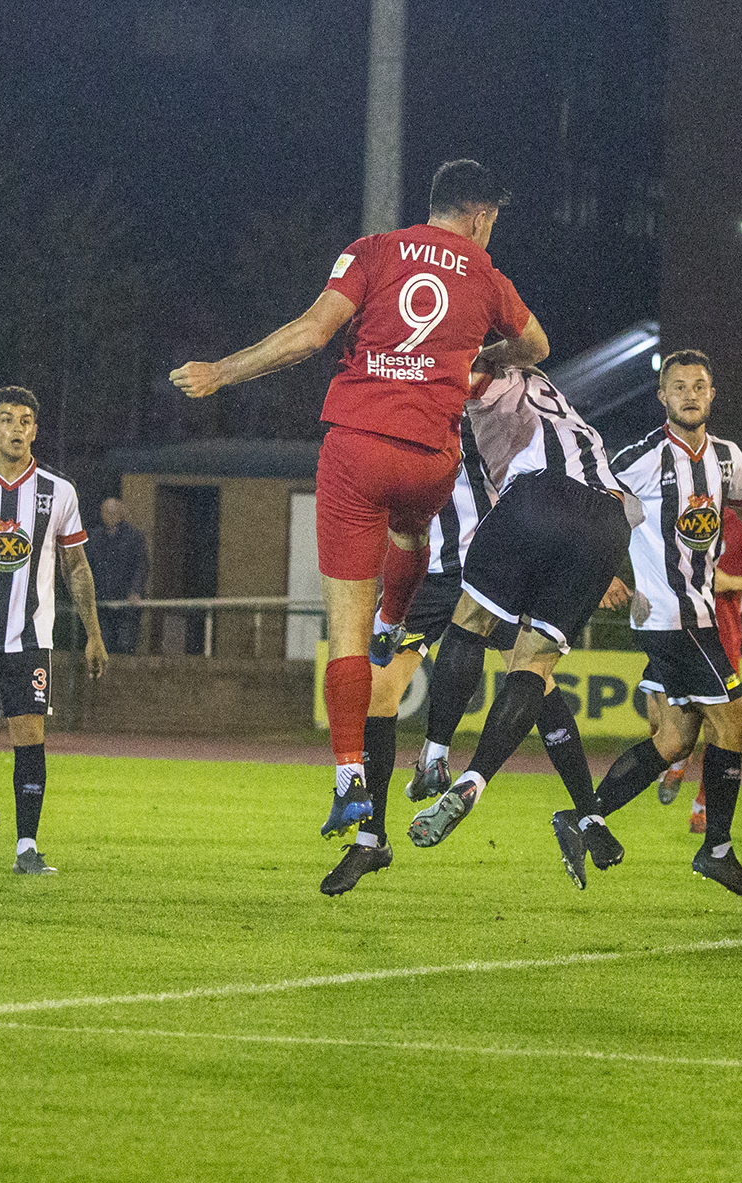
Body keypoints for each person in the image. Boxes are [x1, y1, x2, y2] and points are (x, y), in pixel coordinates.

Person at [169, 159, 547, 840]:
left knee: (341, 633)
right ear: (482, 215)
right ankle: (394, 622)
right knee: (411, 534)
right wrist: (475, 354)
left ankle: (349, 782)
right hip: (430, 456)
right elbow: (537, 344)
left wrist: (221, 371)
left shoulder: (371, 252)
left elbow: (312, 333)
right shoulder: (486, 276)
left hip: (357, 447)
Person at [321, 413, 631, 895]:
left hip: (493, 567)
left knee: (538, 683)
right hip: (429, 577)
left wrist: (584, 562)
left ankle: (587, 816)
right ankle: (371, 839)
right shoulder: (400, 426)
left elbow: (548, 483)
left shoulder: (491, 417)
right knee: (380, 695)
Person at [403, 364, 644, 891]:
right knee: (535, 669)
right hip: (607, 525)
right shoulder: (551, 392)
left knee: (468, 626)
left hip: (532, 502)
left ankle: (436, 756)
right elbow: (634, 510)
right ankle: (479, 780)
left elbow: (466, 371)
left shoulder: (469, 373)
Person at [578, 350, 742, 898]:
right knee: (735, 722)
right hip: (669, 615)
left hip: (696, 614)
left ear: (711, 394)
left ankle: (584, 817)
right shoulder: (641, 457)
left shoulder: (727, 458)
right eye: (677, 386)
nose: (688, 394)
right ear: (662, 397)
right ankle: (717, 851)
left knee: (677, 738)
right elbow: (590, 511)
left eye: (698, 385)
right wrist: (605, 574)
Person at [0, 386, 109, 874]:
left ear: (35, 430)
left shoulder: (58, 492)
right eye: (6, 419)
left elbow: (76, 567)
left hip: (28, 640)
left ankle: (27, 848)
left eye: (26, 420)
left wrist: (93, 632)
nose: (17, 428)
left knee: (28, 736)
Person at [654, 505, 742, 834]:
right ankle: (679, 757)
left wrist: (729, 582)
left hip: (724, 642)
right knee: (666, 711)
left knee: (721, 729)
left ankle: (702, 805)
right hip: (679, 631)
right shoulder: (681, 515)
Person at [84, 497, 148, 655]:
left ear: (121, 514)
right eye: (106, 512)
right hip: (102, 601)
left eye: (113, 513)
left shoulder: (134, 537)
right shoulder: (94, 537)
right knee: (103, 644)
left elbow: (141, 565)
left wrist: (135, 591)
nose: (109, 516)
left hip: (126, 600)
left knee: (125, 645)